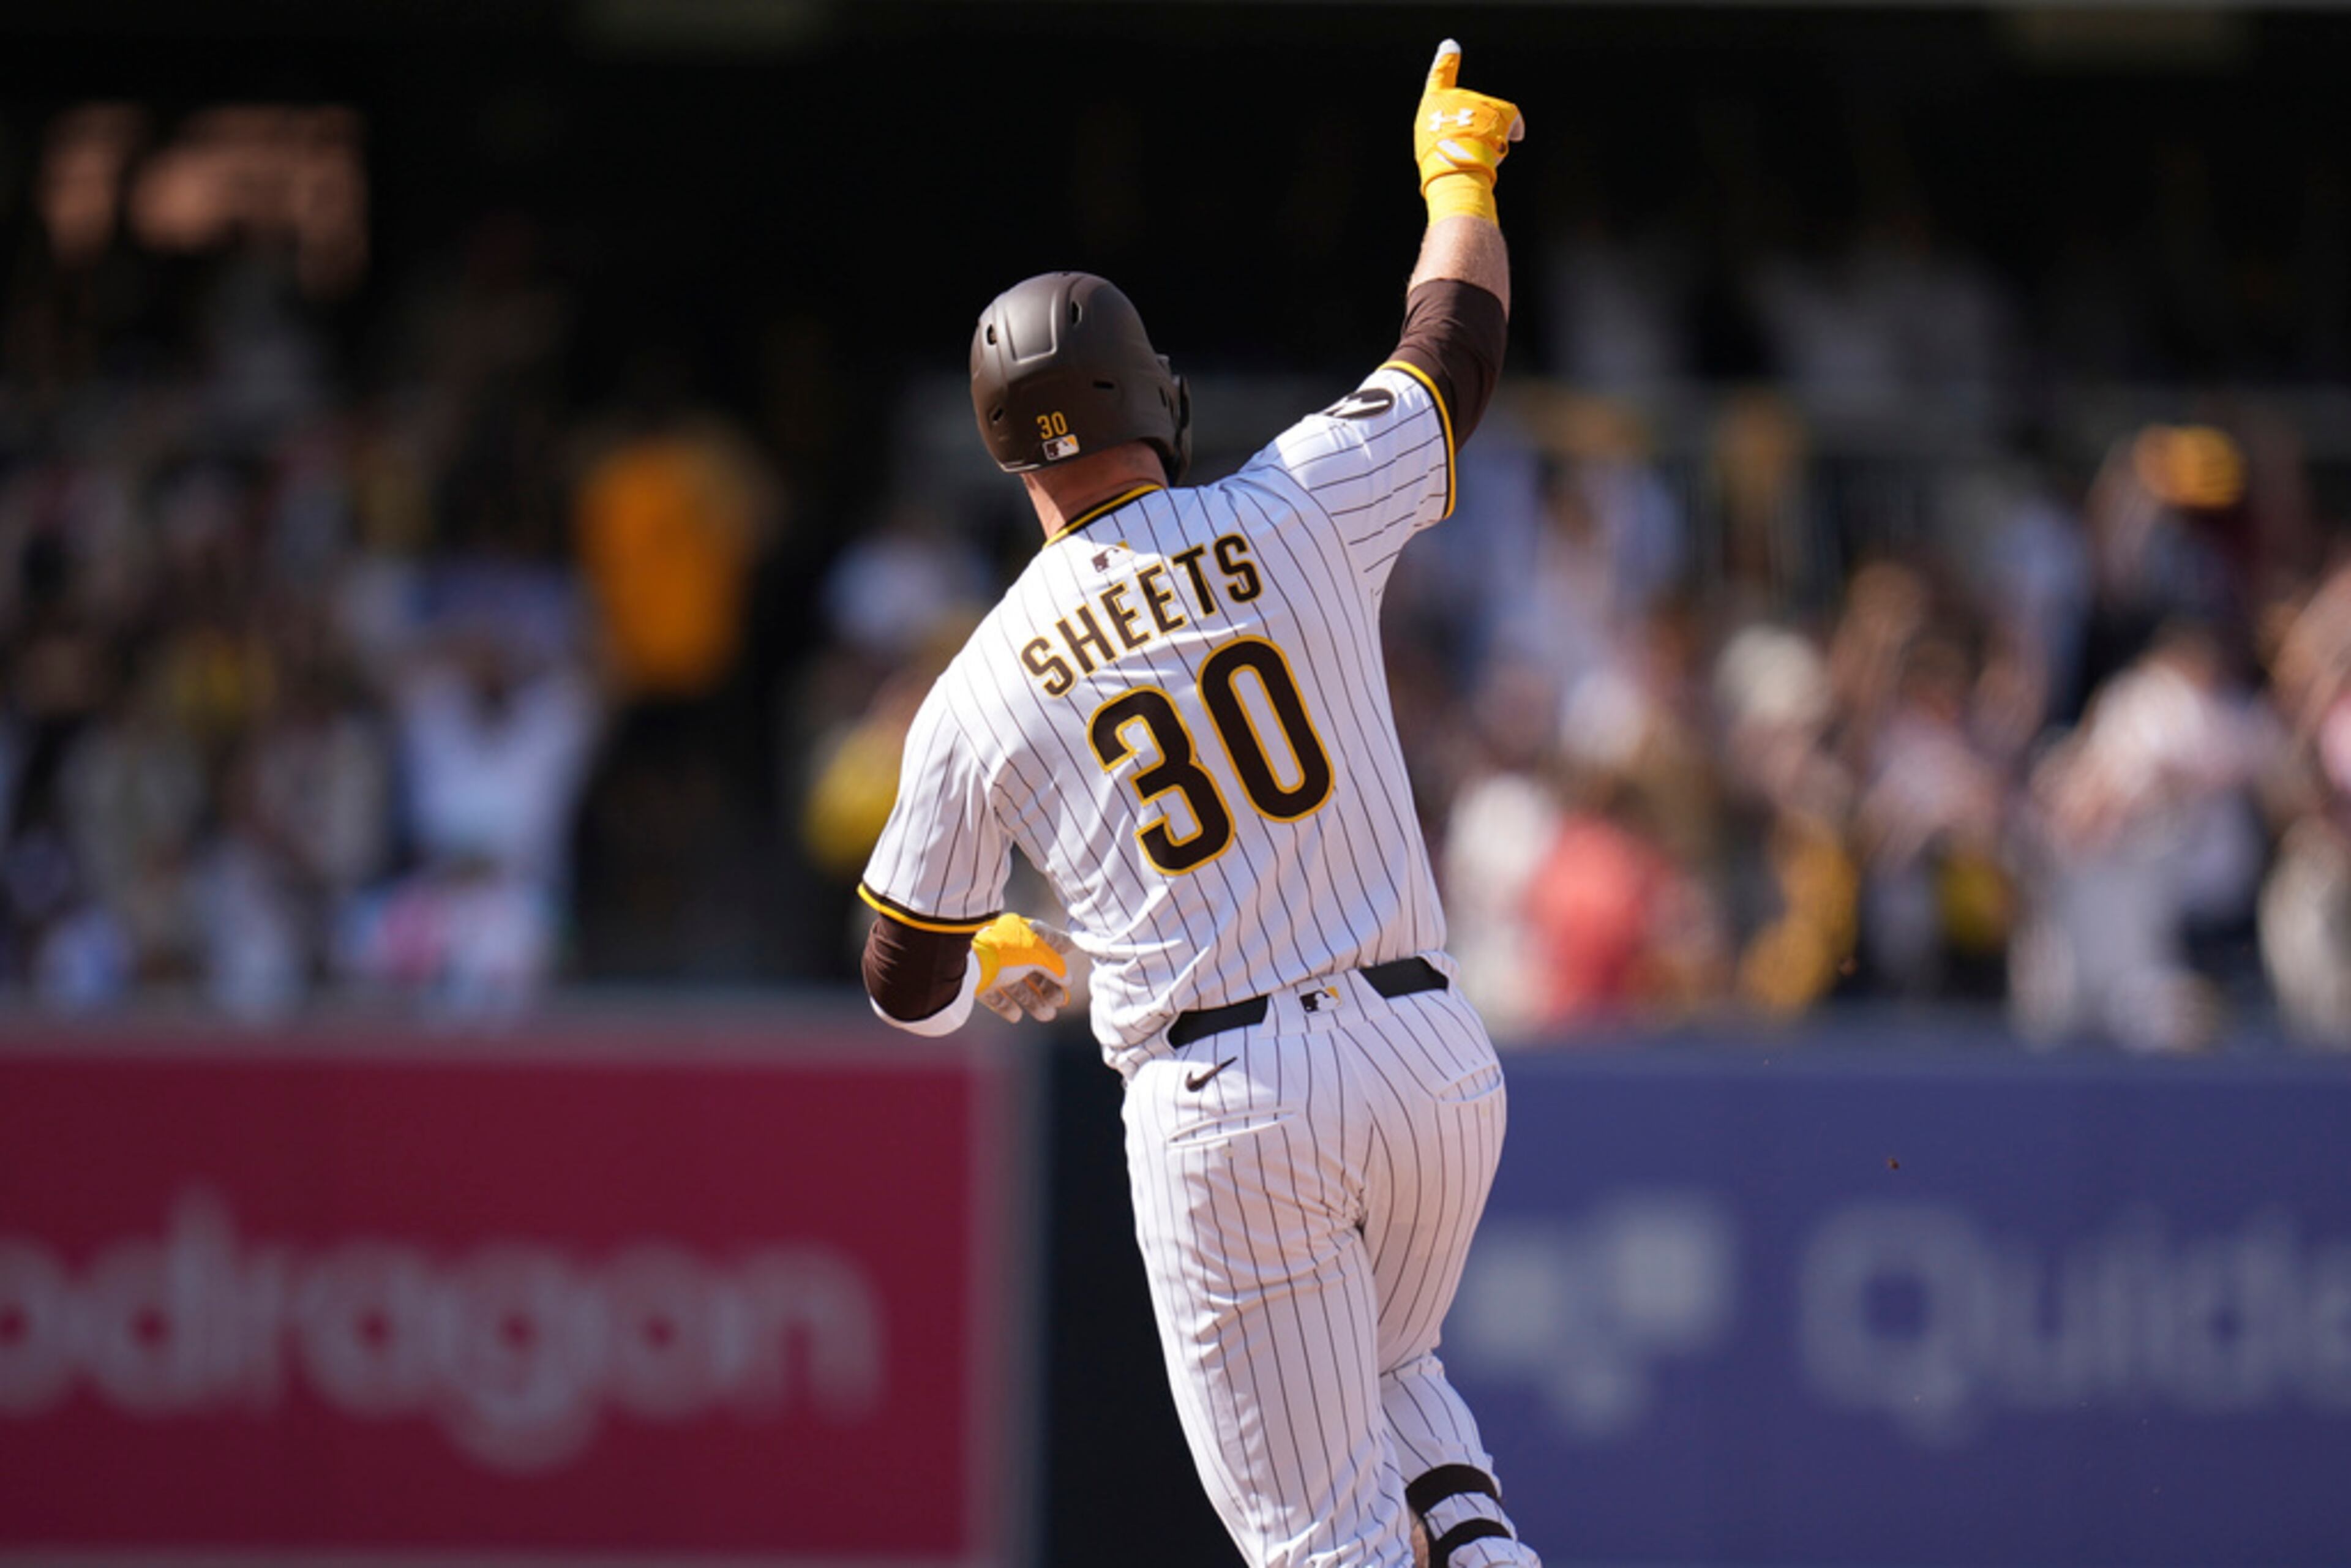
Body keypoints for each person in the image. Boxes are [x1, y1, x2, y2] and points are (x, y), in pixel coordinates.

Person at [857, 42, 1535, 1568]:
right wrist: (1458, 183)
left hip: (1230, 1102)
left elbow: (901, 973)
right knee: (1397, 1377)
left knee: (1320, 1544)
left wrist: (998, 958)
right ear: (1150, 395)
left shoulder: (977, 687)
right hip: (1430, 1053)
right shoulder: (1290, 505)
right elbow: (1453, 352)